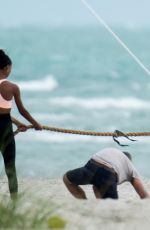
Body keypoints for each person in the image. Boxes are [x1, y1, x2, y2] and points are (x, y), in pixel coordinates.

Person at [0, 49, 42, 200]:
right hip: (4, 128)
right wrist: (36, 124)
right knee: (10, 166)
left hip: (6, 121)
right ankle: (15, 202)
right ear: (6, 68)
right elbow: (23, 110)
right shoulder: (12, 87)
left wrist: (17, 123)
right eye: (10, 67)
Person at [63, 147, 149, 199]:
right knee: (112, 210)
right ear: (130, 161)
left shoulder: (114, 151)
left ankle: (83, 202)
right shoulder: (131, 167)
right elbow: (143, 195)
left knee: (67, 179)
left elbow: (96, 187)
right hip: (108, 174)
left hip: (92, 165)